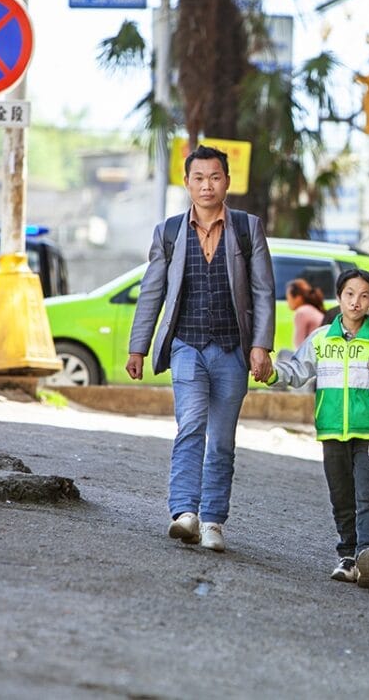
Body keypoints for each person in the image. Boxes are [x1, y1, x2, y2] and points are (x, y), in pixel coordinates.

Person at [125, 145, 275, 553]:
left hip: (232, 350)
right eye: (198, 178)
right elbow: (151, 293)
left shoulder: (246, 228)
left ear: (226, 181)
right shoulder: (169, 232)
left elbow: (263, 292)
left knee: (222, 439)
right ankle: (184, 513)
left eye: (214, 177)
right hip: (186, 345)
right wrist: (138, 348)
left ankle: (212, 520)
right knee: (190, 425)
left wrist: (261, 345)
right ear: (187, 182)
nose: (207, 185)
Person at [266, 269, 369, 589]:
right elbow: (298, 370)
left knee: (365, 494)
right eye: (350, 294)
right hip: (331, 430)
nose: (356, 302)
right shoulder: (320, 339)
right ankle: (347, 556)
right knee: (341, 495)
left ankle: (368, 551)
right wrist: (272, 374)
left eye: (364, 296)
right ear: (339, 297)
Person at [285, 278, 327, 348]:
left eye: (288, 298)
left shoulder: (302, 312)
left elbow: (299, 347)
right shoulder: (312, 309)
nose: (287, 302)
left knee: (282, 353)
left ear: (298, 298)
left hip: (312, 356)